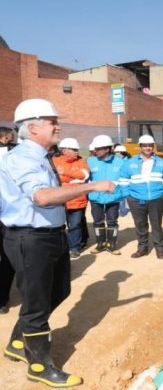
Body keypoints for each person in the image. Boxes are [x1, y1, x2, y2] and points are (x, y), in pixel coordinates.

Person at [0, 98, 115, 387]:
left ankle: (17, 342)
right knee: (37, 304)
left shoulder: (40, 155)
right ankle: (38, 366)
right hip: (30, 238)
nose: (57, 125)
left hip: (51, 235)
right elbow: (41, 196)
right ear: (33, 126)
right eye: (53, 121)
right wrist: (91, 185)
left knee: (59, 290)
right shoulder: (23, 157)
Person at [120, 135, 163, 259]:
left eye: (150, 145)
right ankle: (142, 248)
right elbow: (123, 179)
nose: (148, 148)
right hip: (136, 199)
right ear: (140, 146)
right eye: (145, 145)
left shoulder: (161, 163)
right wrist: (127, 195)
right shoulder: (130, 163)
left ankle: (160, 249)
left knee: (156, 225)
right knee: (140, 225)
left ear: (153, 146)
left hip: (156, 199)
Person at [87, 134, 125, 255]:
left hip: (113, 197)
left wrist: (121, 194)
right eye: (95, 149)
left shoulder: (120, 162)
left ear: (107, 149)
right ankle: (100, 244)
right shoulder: (90, 161)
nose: (95, 151)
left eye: (98, 149)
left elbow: (124, 180)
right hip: (95, 197)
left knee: (112, 221)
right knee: (98, 221)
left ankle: (112, 245)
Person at [53, 138, 90, 260]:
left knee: (75, 225)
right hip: (60, 200)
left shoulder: (81, 161)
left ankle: (74, 248)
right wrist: (72, 178)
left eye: (77, 150)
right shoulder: (54, 161)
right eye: (74, 150)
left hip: (78, 201)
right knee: (59, 226)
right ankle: (62, 247)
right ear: (65, 150)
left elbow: (84, 176)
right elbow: (54, 179)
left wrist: (65, 173)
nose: (77, 152)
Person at [0, 127, 16, 314]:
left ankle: (3, 297)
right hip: (9, 211)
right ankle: (2, 298)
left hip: (7, 211)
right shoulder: (13, 153)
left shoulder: (11, 152)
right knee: (7, 256)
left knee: (7, 257)